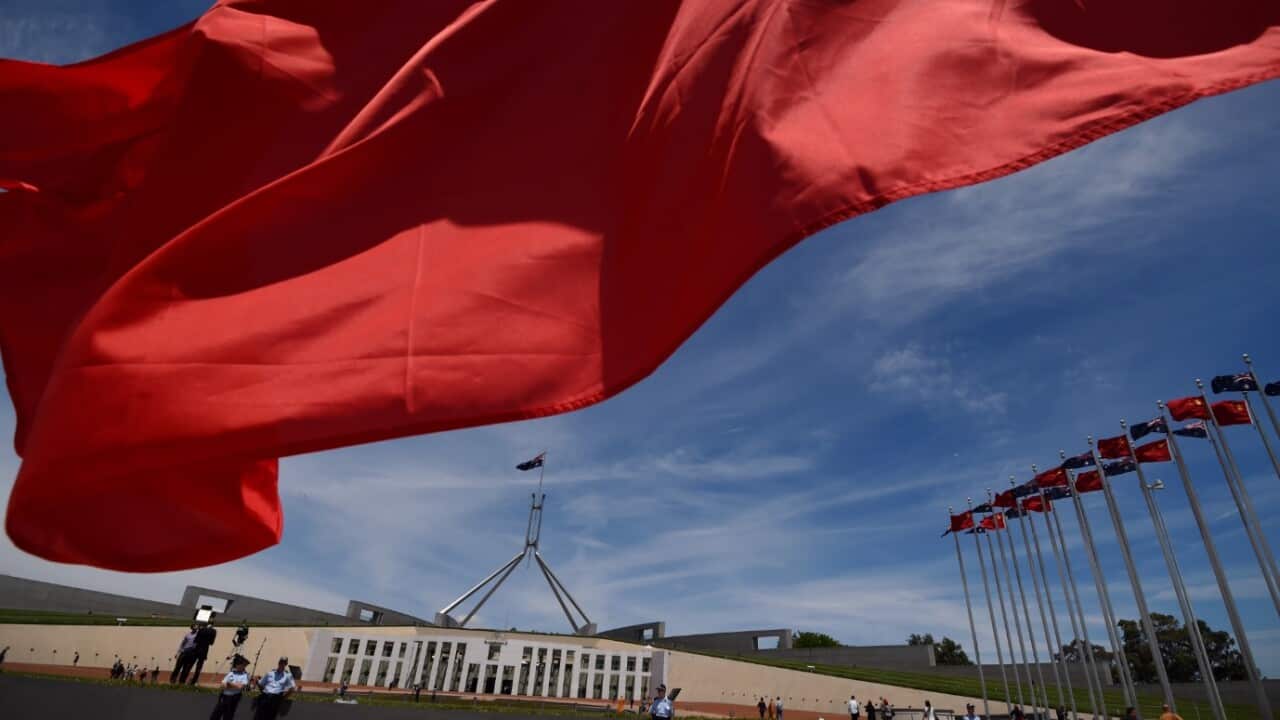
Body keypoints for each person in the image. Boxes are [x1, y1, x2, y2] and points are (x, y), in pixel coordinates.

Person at [210, 654, 251, 720]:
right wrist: (233, 685)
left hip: (234, 697)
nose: (239, 666)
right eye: (238, 665)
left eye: (242, 665)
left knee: (228, 715)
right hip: (224, 696)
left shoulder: (244, 676)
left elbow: (240, 687)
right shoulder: (231, 673)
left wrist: (229, 684)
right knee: (216, 714)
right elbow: (222, 685)